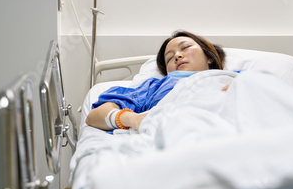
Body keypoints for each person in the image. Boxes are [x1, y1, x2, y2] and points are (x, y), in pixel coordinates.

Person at [85, 30, 226, 131]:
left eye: (186, 47)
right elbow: (94, 116)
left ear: (209, 56)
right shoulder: (153, 88)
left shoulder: (236, 76)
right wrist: (132, 119)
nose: (177, 55)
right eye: (169, 58)